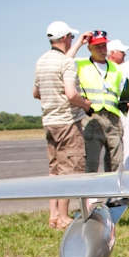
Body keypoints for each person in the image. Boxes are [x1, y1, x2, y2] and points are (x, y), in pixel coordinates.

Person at [33, 21, 93, 231]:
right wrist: (86, 105)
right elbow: (71, 94)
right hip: (67, 122)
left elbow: (36, 93)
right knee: (71, 169)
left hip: (49, 121)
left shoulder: (42, 61)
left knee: (55, 169)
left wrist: (78, 45)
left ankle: (53, 216)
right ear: (66, 37)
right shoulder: (67, 64)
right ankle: (64, 217)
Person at [75, 30, 125, 172]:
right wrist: (79, 42)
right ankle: (90, 194)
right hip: (92, 118)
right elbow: (63, 62)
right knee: (91, 161)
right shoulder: (80, 64)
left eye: (104, 46)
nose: (102, 50)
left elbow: (122, 91)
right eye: (98, 46)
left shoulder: (116, 68)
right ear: (89, 48)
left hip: (113, 119)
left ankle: (115, 193)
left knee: (116, 161)